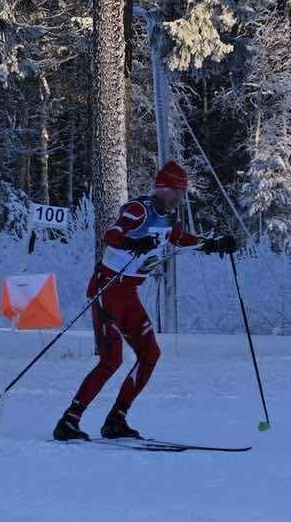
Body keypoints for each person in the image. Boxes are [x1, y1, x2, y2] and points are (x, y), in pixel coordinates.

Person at [53, 160, 235, 441]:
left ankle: (116, 419)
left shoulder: (169, 218)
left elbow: (179, 238)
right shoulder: (139, 209)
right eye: (178, 192)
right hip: (108, 289)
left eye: (183, 193)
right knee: (111, 360)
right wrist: (133, 243)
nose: (180, 198)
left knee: (150, 354)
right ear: (164, 188)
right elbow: (111, 235)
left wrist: (213, 244)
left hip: (129, 294)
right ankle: (69, 421)